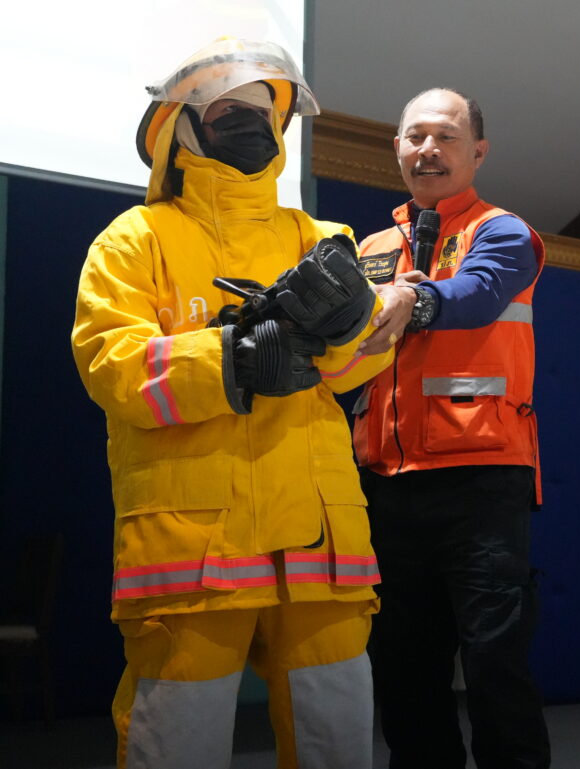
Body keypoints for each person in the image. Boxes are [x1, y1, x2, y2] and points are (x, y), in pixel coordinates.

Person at [71, 37, 393, 769]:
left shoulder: (321, 238)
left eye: (262, 114)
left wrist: (351, 329)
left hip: (319, 549)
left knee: (337, 746)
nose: (251, 126)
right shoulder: (134, 241)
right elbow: (110, 365)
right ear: (183, 127)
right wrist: (232, 360)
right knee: (175, 748)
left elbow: (361, 365)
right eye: (228, 112)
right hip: (193, 549)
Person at [352, 88, 550, 769]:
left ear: (478, 152)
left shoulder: (504, 231)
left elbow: (480, 291)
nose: (428, 149)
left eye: (445, 136)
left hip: (482, 481)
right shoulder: (371, 248)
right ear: (397, 148)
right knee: (404, 672)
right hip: (386, 485)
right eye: (415, 137)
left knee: (496, 666)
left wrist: (414, 296)